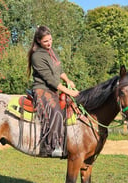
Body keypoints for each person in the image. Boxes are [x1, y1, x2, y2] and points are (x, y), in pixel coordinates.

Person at [27, 25, 79, 157]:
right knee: (56, 112)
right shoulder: (37, 56)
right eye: (45, 41)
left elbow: (59, 70)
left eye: (50, 40)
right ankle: (51, 146)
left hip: (54, 89)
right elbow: (50, 80)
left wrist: (67, 80)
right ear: (38, 41)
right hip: (42, 90)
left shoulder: (52, 51)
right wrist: (68, 91)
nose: (49, 43)